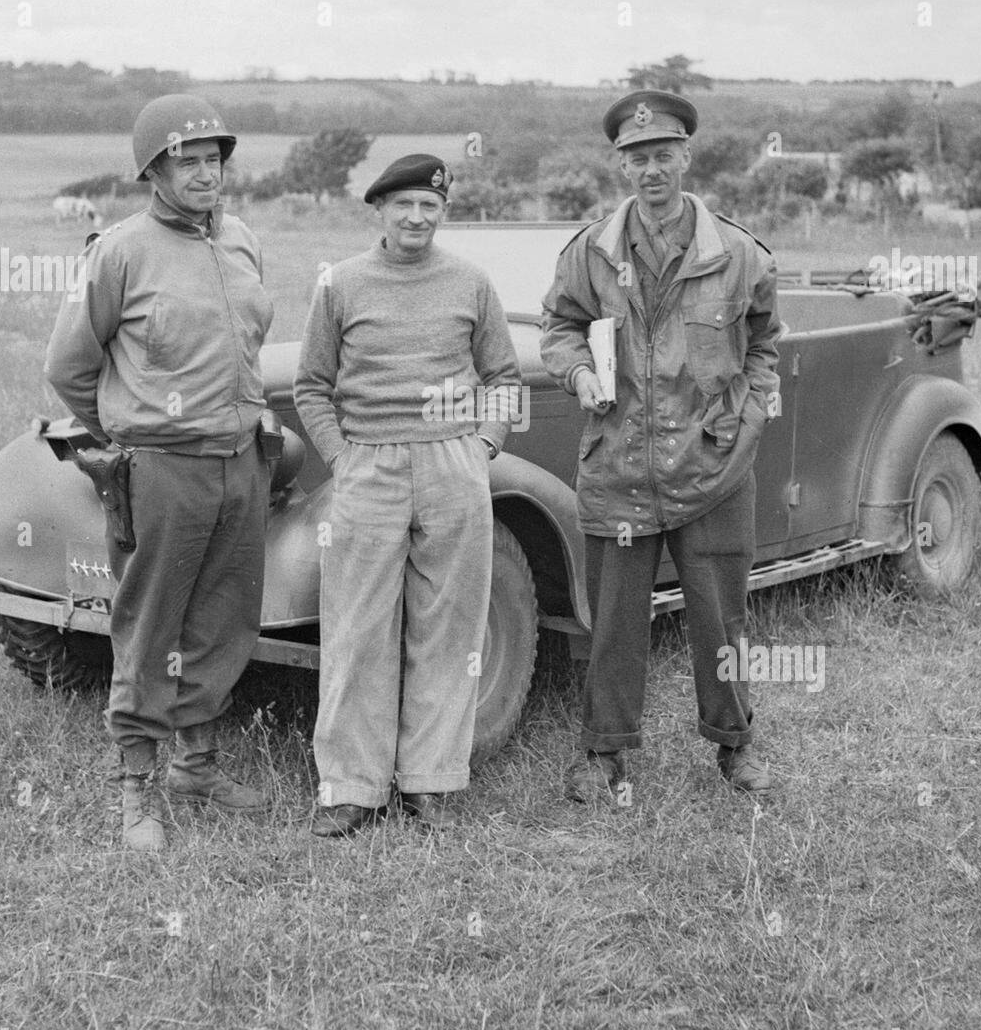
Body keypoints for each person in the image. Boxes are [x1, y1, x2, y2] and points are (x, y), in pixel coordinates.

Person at [45, 94, 274, 852]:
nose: (206, 175)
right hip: (164, 470)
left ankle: (195, 765)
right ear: (153, 172)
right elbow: (69, 368)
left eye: (214, 161)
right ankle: (135, 784)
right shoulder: (120, 251)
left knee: (225, 619)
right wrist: (132, 432)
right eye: (188, 162)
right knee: (149, 624)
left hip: (241, 460)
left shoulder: (240, 240)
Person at [540, 90, 782, 800]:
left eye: (663, 155)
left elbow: (765, 344)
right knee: (614, 621)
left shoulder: (738, 253)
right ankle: (603, 753)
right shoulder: (590, 252)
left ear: (686, 157)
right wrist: (579, 373)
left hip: (713, 466)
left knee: (721, 617)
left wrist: (747, 424)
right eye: (638, 158)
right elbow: (559, 327)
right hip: (619, 462)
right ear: (622, 166)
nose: (652, 170)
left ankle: (735, 745)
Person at [294, 154, 521, 837]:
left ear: (442, 211)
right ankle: (352, 787)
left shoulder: (471, 281)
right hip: (369, 464)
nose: (417, 218)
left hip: (454, 463)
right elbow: (311, 385)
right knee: (356, 627)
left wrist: (483, 446)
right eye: (405, 205)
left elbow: (503, 376)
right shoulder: (341, 284)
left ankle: (432, 781)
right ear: (380, 210)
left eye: (430, 206)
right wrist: (342, 456)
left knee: (448, 627)